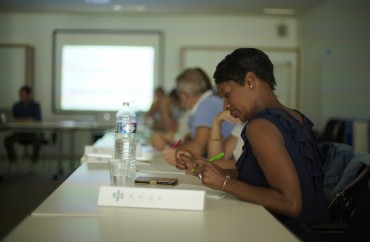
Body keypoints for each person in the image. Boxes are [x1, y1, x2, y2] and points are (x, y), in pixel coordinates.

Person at [174, 48, 332, 227]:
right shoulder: (295, 117)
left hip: (291, 233)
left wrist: (224, 184)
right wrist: (209, 168)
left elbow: (290, 204)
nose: (225, 105)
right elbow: (258, 177)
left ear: (250, 80)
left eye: (227, 94)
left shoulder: (260, 126)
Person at [162, 67, 234, 166]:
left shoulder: (207, 105)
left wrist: (171, 152)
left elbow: (198, 148)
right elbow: (191, 140)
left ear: (183, 96)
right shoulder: (209, 101)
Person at [4, 85, 42, 174]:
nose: (21, 96)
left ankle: (33, 164)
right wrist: (28, 119)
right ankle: (13, 162)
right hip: (19, 133)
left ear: (29, 95)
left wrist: (21, 120)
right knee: (7, 140)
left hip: (32, 133)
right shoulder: (16, 105)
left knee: (38, 141)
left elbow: (37, 119)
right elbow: (12, 119)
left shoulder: (35, 105)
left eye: (23, 94)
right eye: (20, 94)